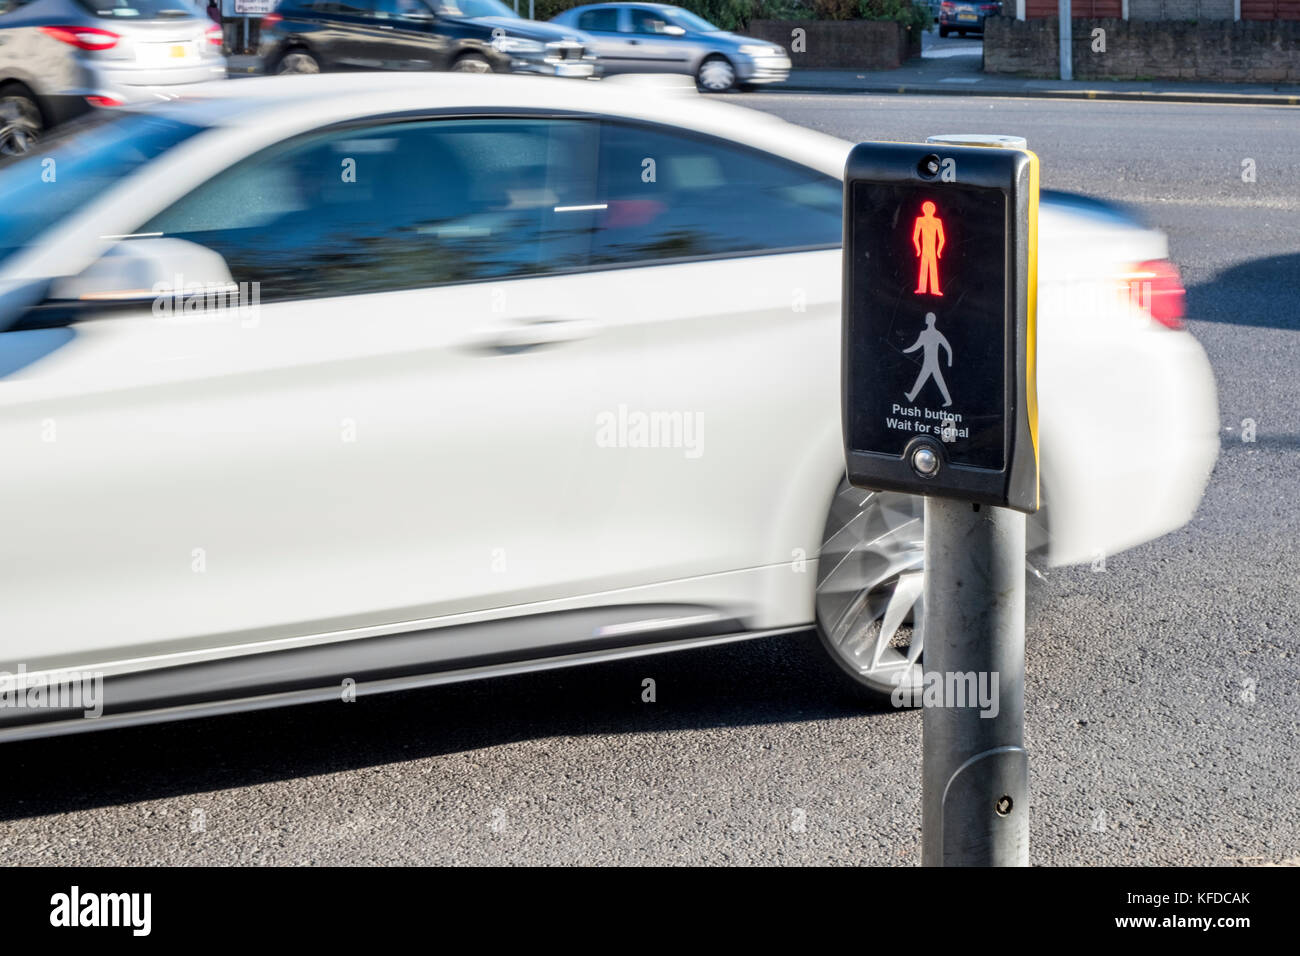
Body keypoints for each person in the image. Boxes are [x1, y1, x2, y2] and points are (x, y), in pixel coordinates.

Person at [903, 312, 953, 407]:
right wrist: (906, 351)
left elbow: (948, 348)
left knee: (939, 381)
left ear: (931, 320)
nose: (926, 319)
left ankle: (949, 400)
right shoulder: (923, 334)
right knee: (924, 379)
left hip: (933, 363)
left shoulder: (937, 334)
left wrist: (949, 361)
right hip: (927, 363)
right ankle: (912, 396)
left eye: (927, 318)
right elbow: (916, 345)